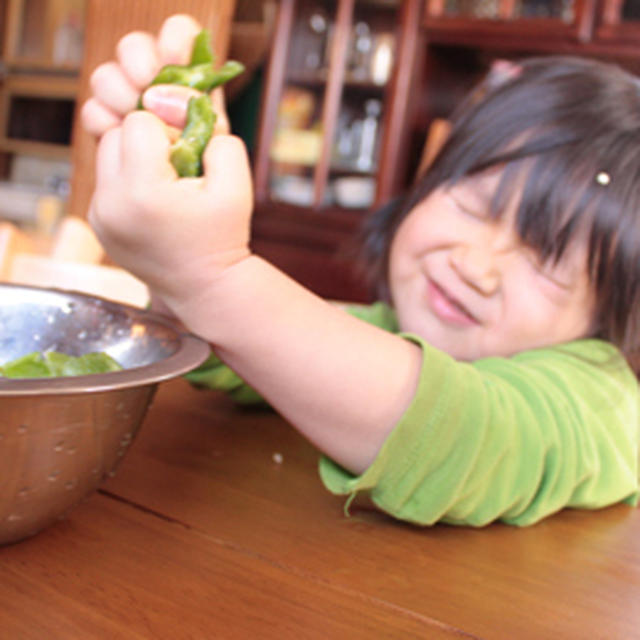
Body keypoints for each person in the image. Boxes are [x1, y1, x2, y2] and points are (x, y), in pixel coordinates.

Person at [82, 14, 640, 527]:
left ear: (611, 311)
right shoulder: (387, 326)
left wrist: (209, 277)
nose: (476, 266)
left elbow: (465, 434)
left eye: (549, 264)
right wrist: (184, 162)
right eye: (472, 205)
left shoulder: (604, 404)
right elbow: (233, 354)